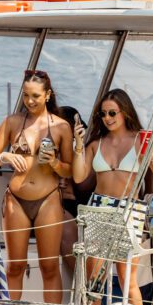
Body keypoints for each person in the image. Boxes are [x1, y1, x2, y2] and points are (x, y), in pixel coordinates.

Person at [72, 88, 153, 305]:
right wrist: (79, 145)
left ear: (124, 112)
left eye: (112, 113)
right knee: (94, 280)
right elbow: (78, 176)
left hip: (129, 210)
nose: (107, 118)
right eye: (103, 114)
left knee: (127, 278)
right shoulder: (96, 143)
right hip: (99, 209)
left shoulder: (140, 140)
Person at [0, 70, 73, 304]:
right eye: (25, 95)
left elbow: (69, 169)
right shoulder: (13, 122)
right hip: (16, 199)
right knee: (15, 266)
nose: (30, 101)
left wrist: (53, 162)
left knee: (49, 266)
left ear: (47, 95)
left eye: (35, 95)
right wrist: (5, 156)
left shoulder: (62, 127)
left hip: (49, 198)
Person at [57, 106, 95, 274]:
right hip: (60, 204)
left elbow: (83, 184)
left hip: (82, 203)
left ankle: (86, 284)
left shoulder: (87, 149)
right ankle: (82, 282)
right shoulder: (51, 147)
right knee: (65, 226)